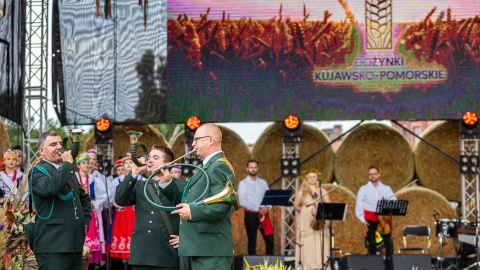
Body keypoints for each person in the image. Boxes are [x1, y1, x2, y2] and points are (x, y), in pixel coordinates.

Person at [172, 123, 236, 270]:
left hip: (211, 249)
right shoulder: (208, 166)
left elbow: (223, 205)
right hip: (204, 247)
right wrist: (167, 181)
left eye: (197, 139)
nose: (193, 144)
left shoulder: (219, 166)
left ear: (211, 140)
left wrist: (192, 211)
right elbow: (191, 197)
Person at [115, 145, 187, 270]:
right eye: (149, 158)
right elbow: (120, 200)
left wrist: (186, 238)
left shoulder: (182, 186)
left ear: (168, 163)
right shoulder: (139, 185)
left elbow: (191, 214)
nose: (150, 160)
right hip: (141, 253)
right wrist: (134, 173)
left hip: (166, 253)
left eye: (156, 157)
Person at [29, 130, 92, 270]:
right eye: (53, 144)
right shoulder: (37, 171)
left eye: (60, 143)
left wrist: (85, 223)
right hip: (52, 247)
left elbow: (84, 199)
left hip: (74, 246)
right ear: (41, 150)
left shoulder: (66, 171)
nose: (59, 147)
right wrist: (67, 165)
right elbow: (50, 188)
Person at [355, 166, 396, 261]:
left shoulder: (386, 188)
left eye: (374, 174)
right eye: (370, 174)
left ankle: (390, 262)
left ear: (379, 174)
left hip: (383, 219)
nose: (373, 176)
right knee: (372, 243)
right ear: (368, 176)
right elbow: (359, 205)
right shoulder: (363, 189)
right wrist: (362, 220)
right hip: (370, 218)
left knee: (388, 242)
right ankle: (373, 264)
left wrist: (387, 204)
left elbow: (393, 200)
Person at [294, 169, 331, 270]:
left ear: (317, 178)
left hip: (319, 220)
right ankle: (307, 266)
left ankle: (321, 265)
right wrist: (306, 211)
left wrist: (320, 205)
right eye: (310, 177)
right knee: (307, 241)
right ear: (306, 179)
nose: (312, 179)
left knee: (320, 240)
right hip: (307, 220)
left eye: (314, 177)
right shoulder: (302, 192)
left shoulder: (323, 191)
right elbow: (296, 206)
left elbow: (328, 205)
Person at [238, 159, 274, 255]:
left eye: (255, 167)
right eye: (251, 167)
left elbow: (269, 197)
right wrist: (258, 209)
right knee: (252, 241)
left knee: (270, 240)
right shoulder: (243, 183)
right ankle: (251, 266)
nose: (253, 169)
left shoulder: (263, 182)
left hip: (264, 214)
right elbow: (243, 201)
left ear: (257, 169)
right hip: (251, 215)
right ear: (247, 169)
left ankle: (270, 265)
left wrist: (267, 208)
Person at [74, 154, 102, 269]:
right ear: (78, 165)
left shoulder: (93, 179)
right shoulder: (74, 178)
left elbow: (105, 194)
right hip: (76, 213)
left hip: (89, 212)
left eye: (87, 162)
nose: (86, 165)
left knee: (90, 240)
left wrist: (95, 203)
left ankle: (90, 265)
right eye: (83, 163)